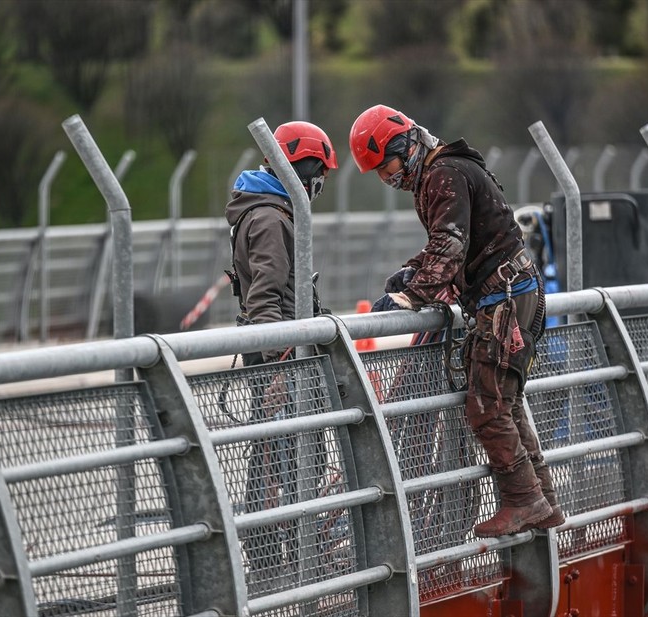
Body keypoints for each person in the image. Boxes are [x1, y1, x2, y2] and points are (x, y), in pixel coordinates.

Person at [348, 104, 565, 537]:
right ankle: (543, 502)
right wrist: (416, 270)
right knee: (504, 401)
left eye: (385, 165)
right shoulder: (447, 169)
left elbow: (450, 244)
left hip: (503, 299)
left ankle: (524, 501)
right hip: (512, 291)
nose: (386, 177)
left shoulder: (443, 173)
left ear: (403, 145)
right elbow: (455, 244)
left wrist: (410, 294)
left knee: (486, 407)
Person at [225, 120, 337, 576]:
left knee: (287, 451)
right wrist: (275, 366)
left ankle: (289, 549)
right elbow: (265, 298)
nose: (318, 188)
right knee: (284, 455)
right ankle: (280, 553)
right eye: (318, 178)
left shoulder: (272, 210)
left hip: (285, 349)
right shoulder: (271, 218)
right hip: (281, 354)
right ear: (301, 173)